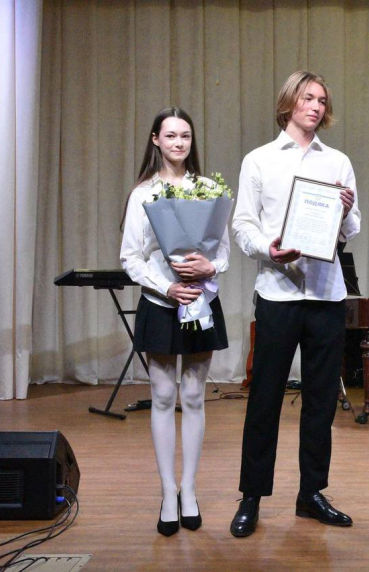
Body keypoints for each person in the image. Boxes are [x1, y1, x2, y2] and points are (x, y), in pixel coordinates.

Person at [230, 70, 360, 537]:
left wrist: (344, 211)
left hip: (326, 293)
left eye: (322, 100)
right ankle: (251, 496)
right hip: (278, 291)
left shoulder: (338, 162)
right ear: (289, 103)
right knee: (265, 397)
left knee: (321, 401)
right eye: (308, 98)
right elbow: (243, 225)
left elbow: (352, 228)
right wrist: (269, 250)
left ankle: (311, 494)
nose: (316, 106)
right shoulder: (259, 160)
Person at [120, 107, 230, 535]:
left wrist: (209, 267)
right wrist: (166, 287)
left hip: (200, 302)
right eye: (170, 136)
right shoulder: (143, 194)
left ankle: (189, 489)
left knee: (195, 396)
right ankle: (167, 491)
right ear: (155, 140)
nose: (179, 143)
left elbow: (223, 251)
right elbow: (131, 257)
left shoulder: (209, 189)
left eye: (185, 135)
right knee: (164, 395)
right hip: (161, 302)